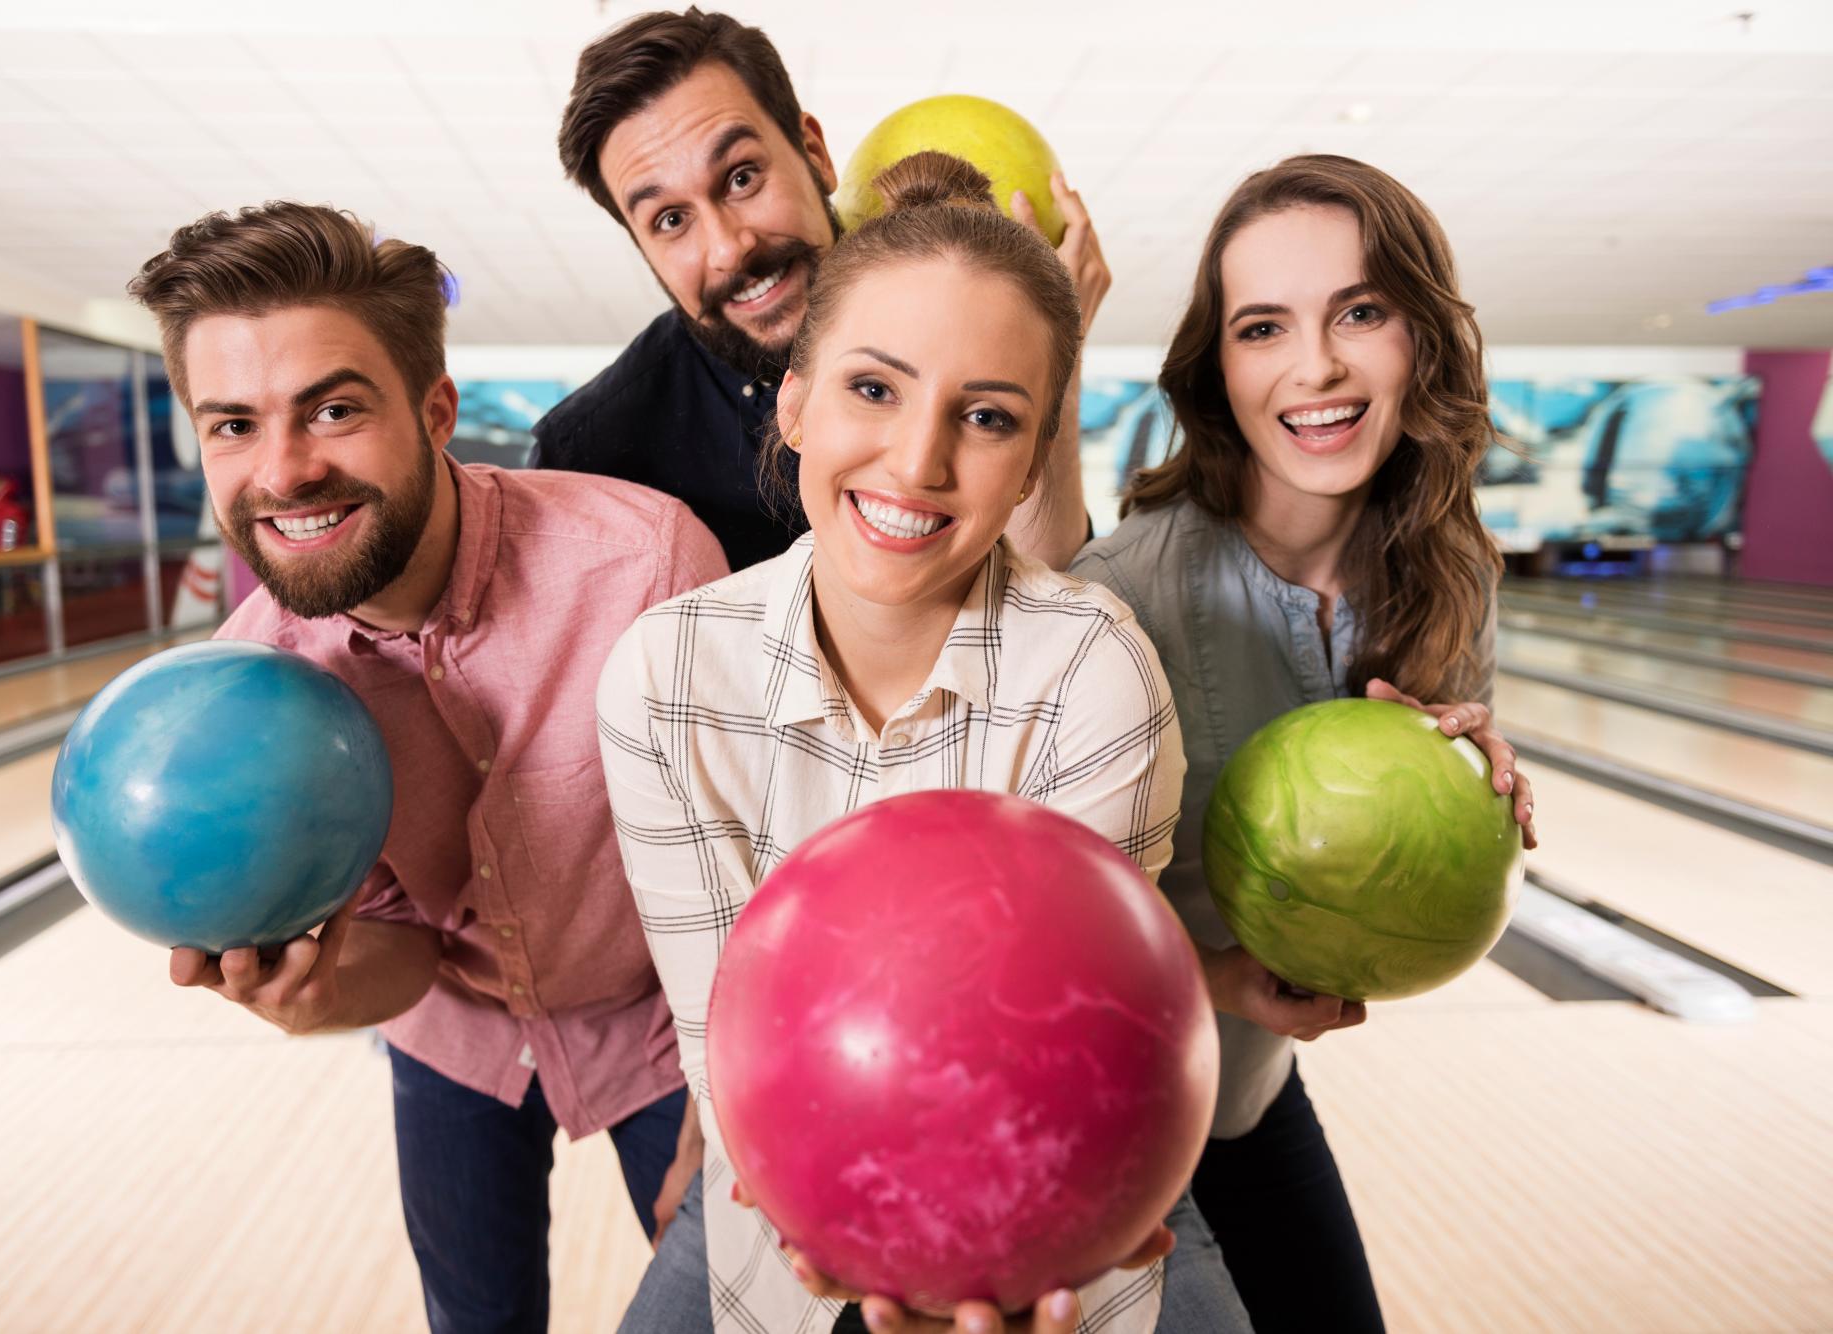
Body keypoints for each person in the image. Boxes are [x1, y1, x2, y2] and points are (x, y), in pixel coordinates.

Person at [597, 152, 1253, 1334]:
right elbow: (727, 1049)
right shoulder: (664, 673)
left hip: (1064, 1210)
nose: (916, 461)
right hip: (777, 1191)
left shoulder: (1093, 670)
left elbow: (1075, 1056)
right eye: (872, 388)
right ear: (794, 402)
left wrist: (974, 1259)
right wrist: (858, 1230)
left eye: (986, 416)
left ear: (1033, 458)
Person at [125, 201, 727, 1334]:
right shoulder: (252, 689)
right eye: (233, 425)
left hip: (666, 1023)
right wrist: (309, 996)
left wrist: (741, 1091)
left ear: (435, 411)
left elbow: (754, 867)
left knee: (745, 1306)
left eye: (334, 409)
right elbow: (399, 955)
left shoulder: (646, 567)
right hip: (455, 1027)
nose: (283, 471)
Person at [1069, 154, 1540, 1334]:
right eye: (1262, 326)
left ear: (1419, 337)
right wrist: (1217, 973)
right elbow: (1035, 928)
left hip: (1240, 1093)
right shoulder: (1117, 597)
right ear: (1217, 368)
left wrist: (1465, 794)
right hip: (1092, 1112)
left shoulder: (1451, 579)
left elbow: (1385, 894)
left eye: (1359, 312)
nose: (1315, 365)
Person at [536, 6, 1109, 574]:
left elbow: (1040, 591)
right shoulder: (587, 457)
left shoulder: (956, 308)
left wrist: (1049, 345)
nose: (729, 248)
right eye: (670, 220)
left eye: (742, 178)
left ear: (814, 153)